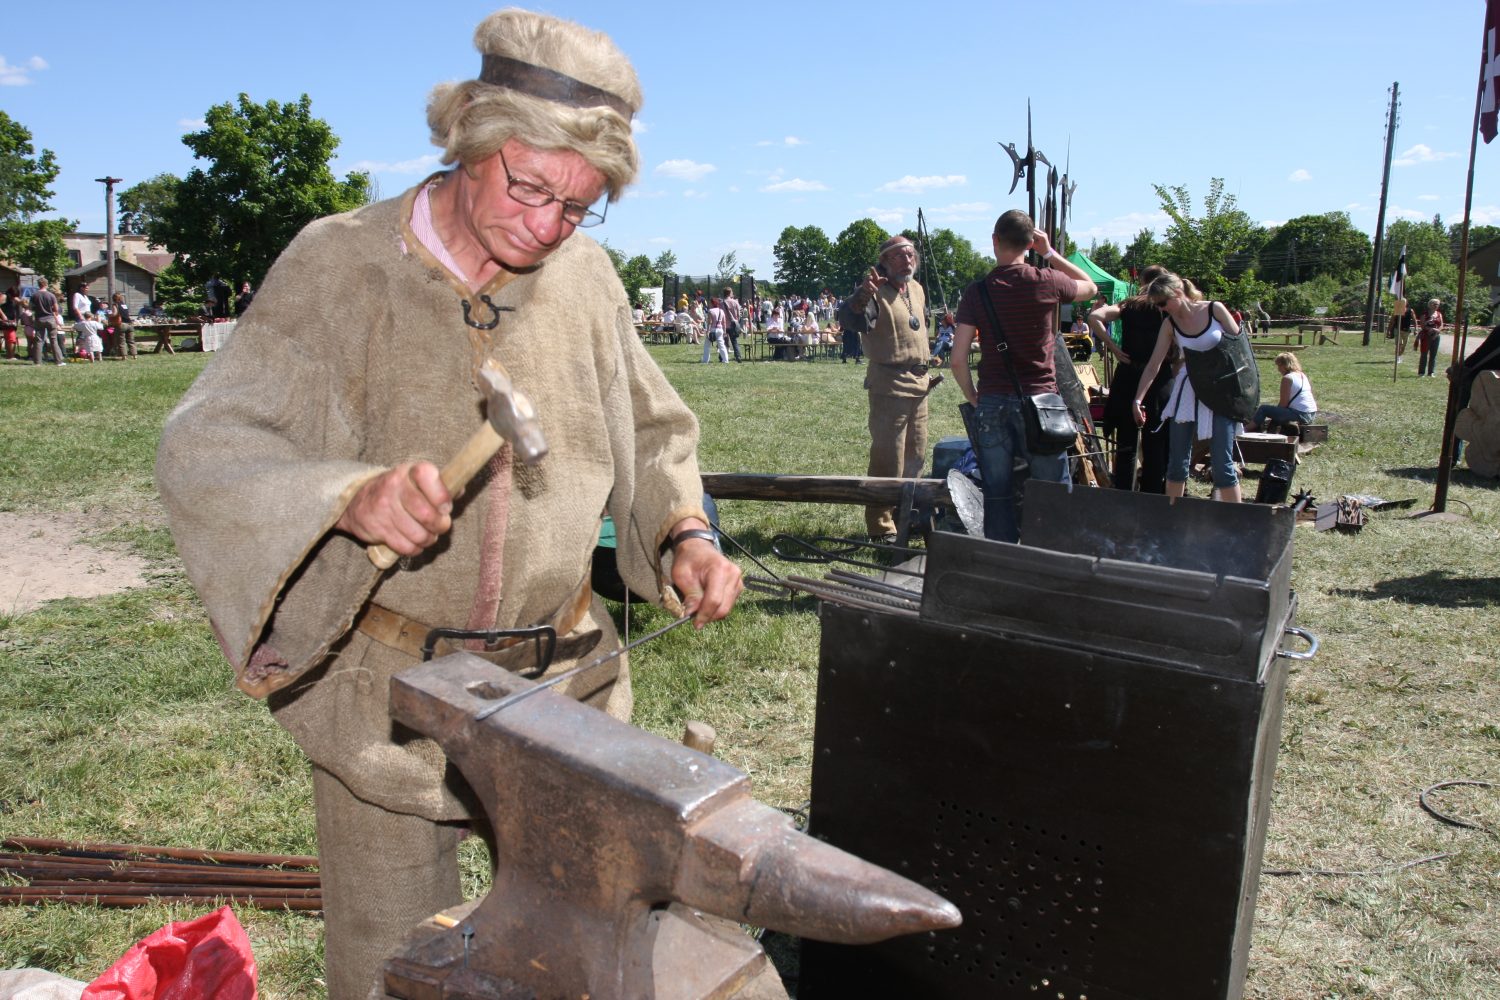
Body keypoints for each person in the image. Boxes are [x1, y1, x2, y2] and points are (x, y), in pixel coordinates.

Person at [154, 11, 744, 998]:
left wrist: (683, 531)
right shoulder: (339, 265)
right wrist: (346, 496)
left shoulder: (587, 279)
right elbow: (208, 443)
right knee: (393, 969)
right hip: (388, 705)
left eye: (578, 205)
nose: (546, 225)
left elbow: (653, 432)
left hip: (569, 697)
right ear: (471, 141)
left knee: (587, 960)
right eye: (531, 186)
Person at [951, 211, 1096, 542]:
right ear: (1030, 243)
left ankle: (1004, 567)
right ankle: (1052, 562)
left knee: (997, 494)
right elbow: (1090, 287)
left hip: (992, 402)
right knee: (1052, 495)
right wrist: (1050, 254)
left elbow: (957, 360)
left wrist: (974, 395)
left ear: (994, 240)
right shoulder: (1047, 280)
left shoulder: (977, 292)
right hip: (1042, 403)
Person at [839, 235, 948, 540]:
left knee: (915, 457)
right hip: (889, 386)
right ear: (884, 262)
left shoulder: (917, 289)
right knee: (889, 458)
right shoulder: (874, 293)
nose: (907, 260)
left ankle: (906, 518)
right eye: (898, 256)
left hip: (920, 385)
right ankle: (881, 525)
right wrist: (862, 295)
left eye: (910, 254)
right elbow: (849, 318)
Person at [1131, 272, 1259, 504]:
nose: (1161, 309)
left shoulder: (1214, 310)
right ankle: (1173, 519)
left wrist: (1244, 394)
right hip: (1189, 390)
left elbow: (1240, 349)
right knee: (1177, 463)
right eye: (1157, 305)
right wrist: (1137, 400)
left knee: (1222, 463)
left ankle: (1237, 522)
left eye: (1163, 303)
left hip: (1222, 391)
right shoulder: (1169, 325)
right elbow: (1153, 366)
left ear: (1178, 293)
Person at [1088, 265, 1172, 493]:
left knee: (1126, 441)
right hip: (1159, 377)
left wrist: (1113, 347)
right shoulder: (1167, 306)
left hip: (1129, 375)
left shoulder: (1129, 304)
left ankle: (1124, 491)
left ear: (1143, 281)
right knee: (1156, 439)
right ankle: (1153, 493)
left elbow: (1094, 316)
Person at [1252, 352, 1318, 428]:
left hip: (1300, 414)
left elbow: (1283, 404)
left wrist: (1274, 416)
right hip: (1311, 414)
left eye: (1279, 366)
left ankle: (1247, 429)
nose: (1278, 369)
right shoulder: (1302, 375)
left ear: (1284, 365)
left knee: (1264, 409)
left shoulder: (1288, 378)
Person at [30, 278, 64, 366]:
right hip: (50, 318)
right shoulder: (51, 295)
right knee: (53, 340)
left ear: (38, 284)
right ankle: (58, 361)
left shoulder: (34, 295)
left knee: (39, 340)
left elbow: (30, 307)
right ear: (46, 284)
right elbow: (56, 309)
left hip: (39, 319)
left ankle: (37, 362)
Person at [1417, 298, 1444, 377]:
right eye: (1434, 304)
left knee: (1433, 355)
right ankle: (1421, 372)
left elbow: (1441, 325)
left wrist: (1437, 330)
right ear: (1430, 304)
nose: (1436, 306)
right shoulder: (1424, 314)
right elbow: (1422, 325)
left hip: (1436, 336)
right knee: (1424, 354)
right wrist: (1430, 329)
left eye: (1437, 304)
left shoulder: (1439, 314)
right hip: (1426, 336)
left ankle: (1431, 372)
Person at [701, 296, 729, 362]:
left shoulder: (710, 311)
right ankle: (725, 360)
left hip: (712, 330)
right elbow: (724, 322)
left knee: (707, 346)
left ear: (712, 303)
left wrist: (707, 331)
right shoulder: (721, 311)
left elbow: (710, 322)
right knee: (722, 345)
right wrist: (724, 332)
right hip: (720, 330)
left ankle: (705, 360)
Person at [110, 292, 137, 358]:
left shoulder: (115, 304)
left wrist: (108, 315)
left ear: (114, 298)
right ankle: (134, 355)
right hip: (129, 324)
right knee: (131, 341)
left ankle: (124, 356)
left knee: (121, 341)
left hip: (122, 324)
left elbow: (115, 314)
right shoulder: (124, 305)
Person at [722, 285, 743, 361]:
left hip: (723, 324)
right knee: (734, 341)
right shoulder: (735, 302)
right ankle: (738, 356)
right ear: (730, 293)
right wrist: (737, 320)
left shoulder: (722, 303)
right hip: (733, 324)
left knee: (723, 342)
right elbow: (739, 313)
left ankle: (722, 357)